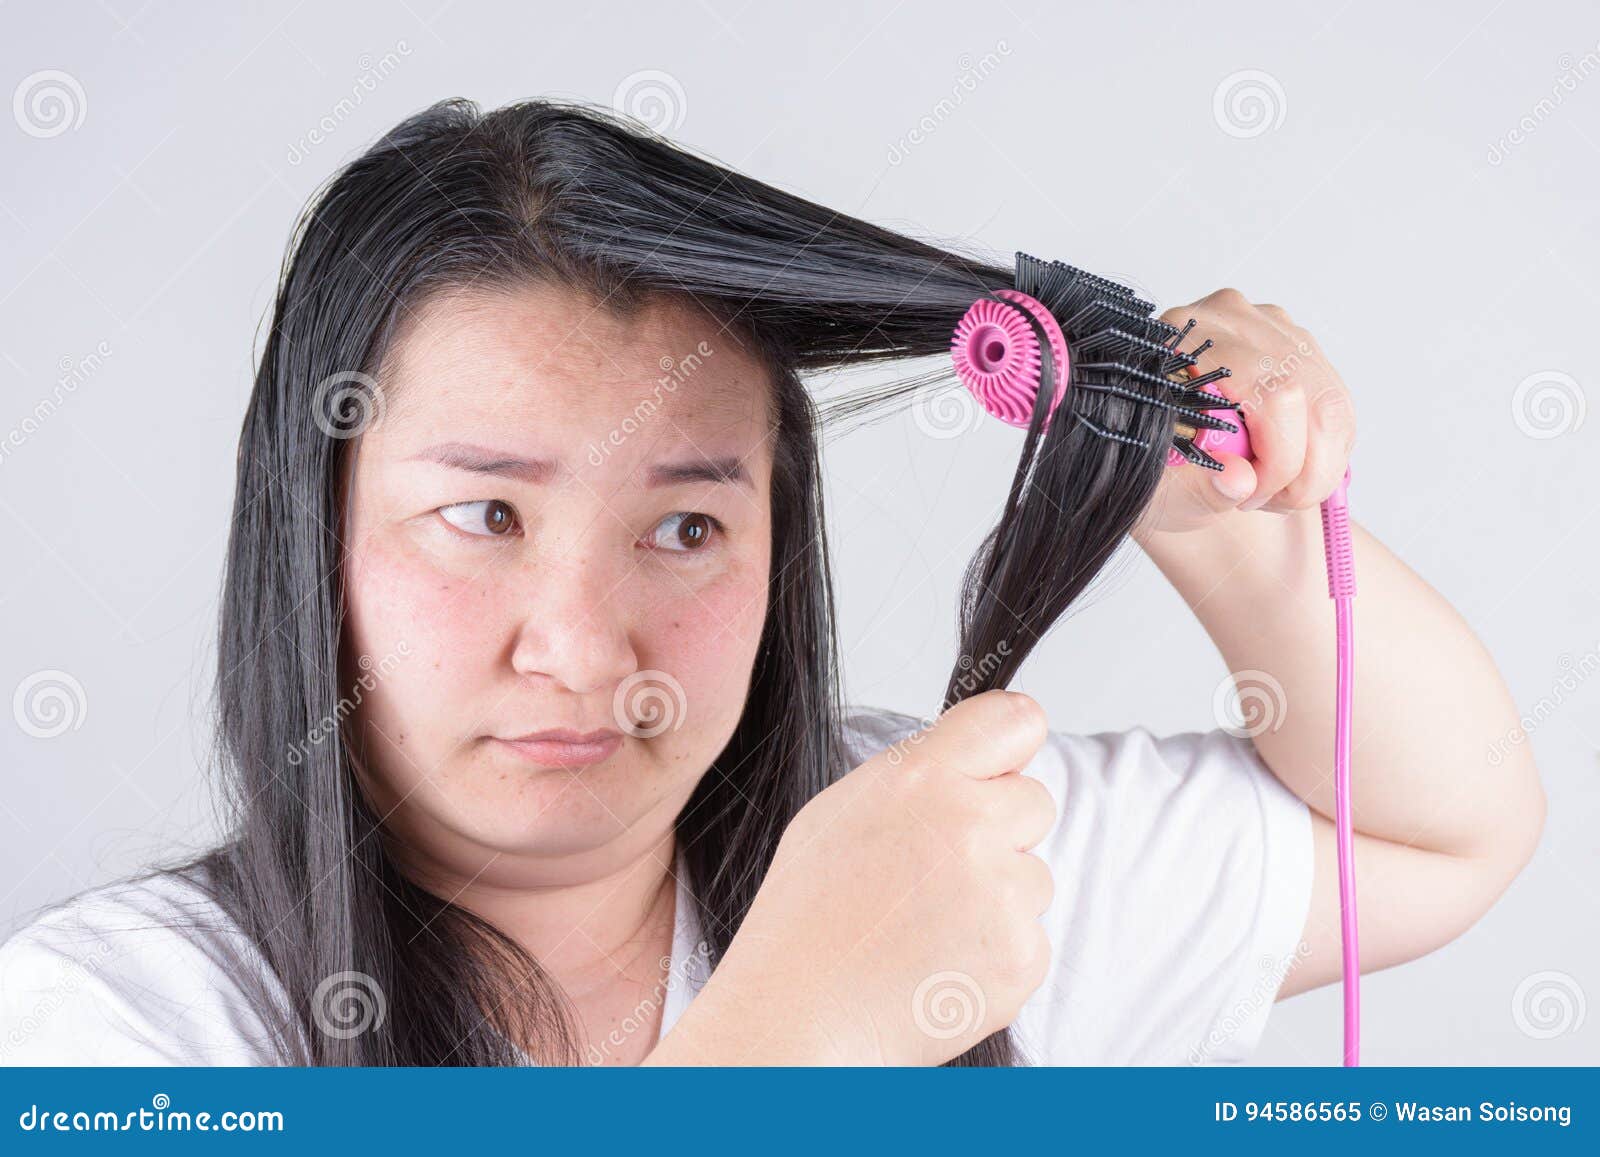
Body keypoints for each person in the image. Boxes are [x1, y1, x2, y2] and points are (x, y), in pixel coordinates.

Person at [0, 100, 1544, 1067]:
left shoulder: (941, 861)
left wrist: (1211, 511)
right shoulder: (119, 1028)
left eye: (686, 527)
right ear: (314, 533)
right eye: (483, 513)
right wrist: (798, 1036)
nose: (582, 645)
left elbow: (1432, 829)